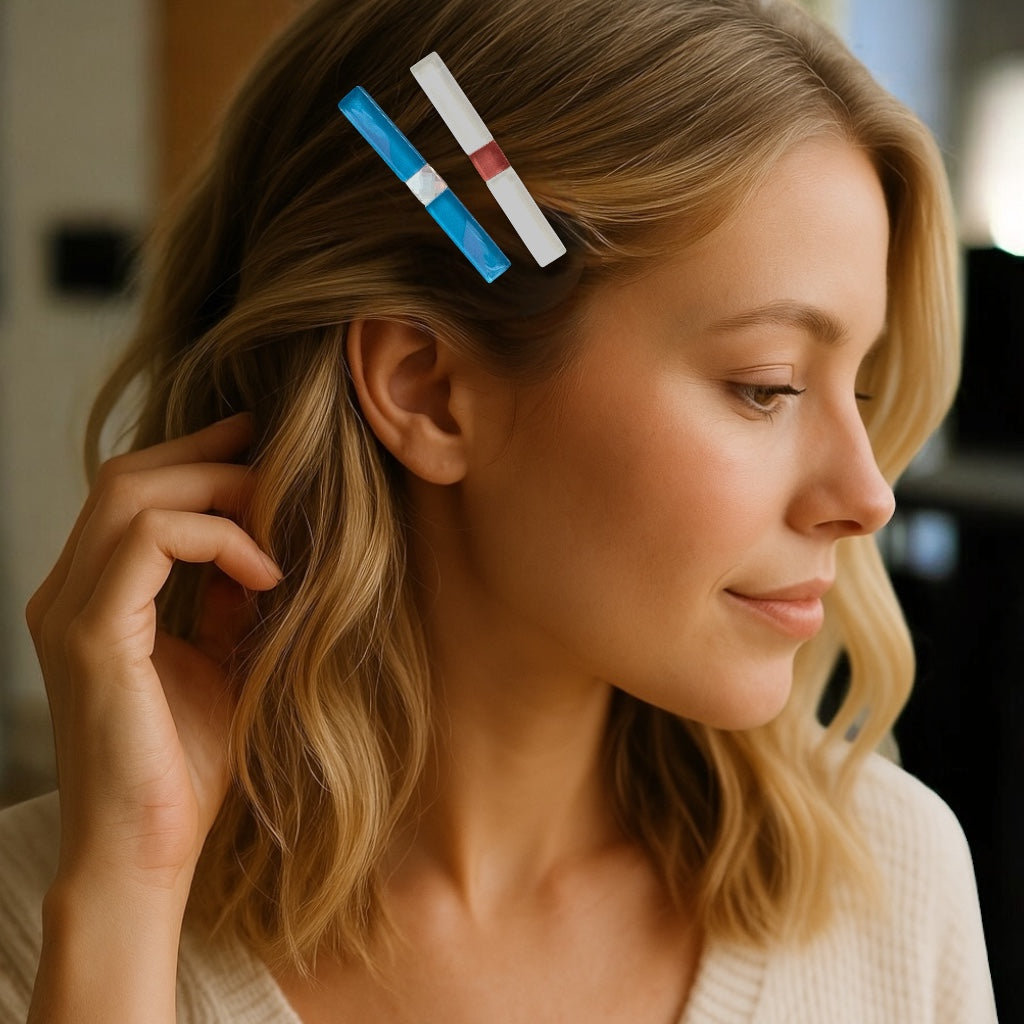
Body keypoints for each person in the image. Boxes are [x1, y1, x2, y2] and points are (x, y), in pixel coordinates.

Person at [0, 0, 998, 1020]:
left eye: (860, 387)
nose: (867, 496)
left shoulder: (891, 887)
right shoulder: (43, 925)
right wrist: (125, 899)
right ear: (427, 387)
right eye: (768, 384)